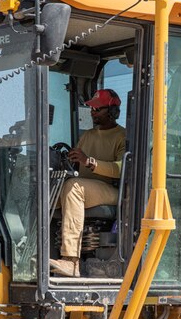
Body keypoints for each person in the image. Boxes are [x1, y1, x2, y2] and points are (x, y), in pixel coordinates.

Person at [50, 89, 126, 277]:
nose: (92, 113)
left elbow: (121, 169)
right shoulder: (87, 136)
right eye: (91, 109)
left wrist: (89, 162)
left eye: (97, 109)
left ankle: (71, 262)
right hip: (87, 187)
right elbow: (78, 162)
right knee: (48, 191)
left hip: (112, 190)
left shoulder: (122, 136)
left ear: (112, 111)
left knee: (73, 187)